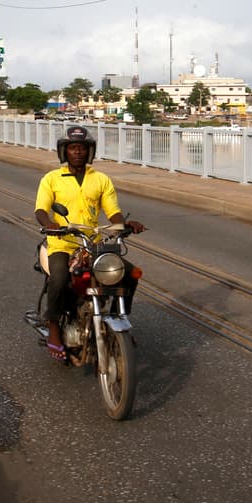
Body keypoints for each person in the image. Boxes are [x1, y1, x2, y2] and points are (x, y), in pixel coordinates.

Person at [34, 125, 145, 362]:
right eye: (73, 148)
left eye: (82, 148)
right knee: (60, 278)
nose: (77, 152)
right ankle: (53, 327)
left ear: (89, 152)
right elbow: (41, 210)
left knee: (129, 273)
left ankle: (119, 319)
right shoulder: (51, 179)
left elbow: (113, 212)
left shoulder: (101, 179)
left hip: (92, 244)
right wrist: (50, 224)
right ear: (64, 152)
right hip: (62, 243)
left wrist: (123, 224)